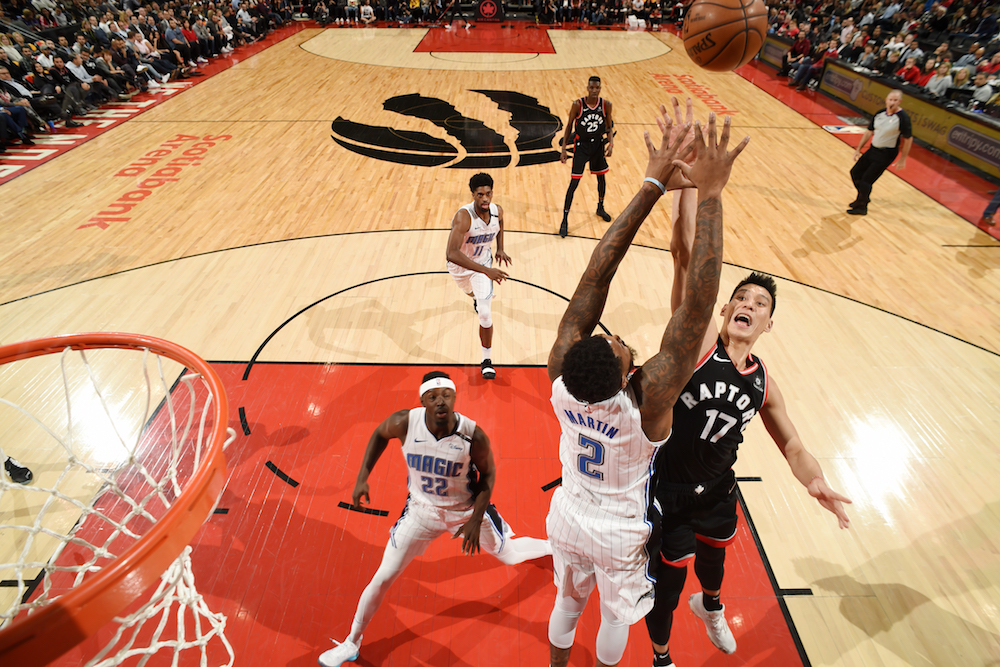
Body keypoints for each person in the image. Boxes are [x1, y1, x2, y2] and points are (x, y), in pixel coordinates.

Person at [640, 103, 853, 667]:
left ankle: (711, 607)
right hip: (668, 488)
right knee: (667, 585)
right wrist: (693, 186)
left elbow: (794, 445)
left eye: (760, 304)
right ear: (724, 308)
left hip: (717, 487)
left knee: (715, 561)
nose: (748, 304)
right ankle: (661, 656)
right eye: (741, 297)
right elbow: (688, 254)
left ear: (767, 325)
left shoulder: (763, 384)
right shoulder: (695, 344)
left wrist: (814, 480)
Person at [545, 103, 749, 667]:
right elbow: (700, 304)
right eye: (619, 345)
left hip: (567, 514)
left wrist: (653, 185)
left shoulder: (561, 378)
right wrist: (711, 194)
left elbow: (596, 275)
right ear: (625, 375)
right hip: (617, 529)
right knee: (614, 619)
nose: (617, 336)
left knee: (567, 602)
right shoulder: (646, 401)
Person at [317, 371, 551, 667]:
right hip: (421, 511)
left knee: (509, 555)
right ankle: (351, 642)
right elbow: (379, 434)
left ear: (454, 398)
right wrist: (362, 477)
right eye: (433, 396)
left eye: (446, 395)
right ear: (423, 400)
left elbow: (488, 475)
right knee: (383, 576)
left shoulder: (472, 435)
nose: (441, 401)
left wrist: (475, 519)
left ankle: (554, 547)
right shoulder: (404, 422)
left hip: (465, 511)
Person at [445, 173, 511, 380]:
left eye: (488, 194)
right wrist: (487, 271)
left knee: (484, 314)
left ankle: (486, 361)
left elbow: (500, 224)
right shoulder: (464, 217)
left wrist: (500, 248)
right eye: (480, 194)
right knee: (470, 293)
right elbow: (451, 253)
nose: (485, 198)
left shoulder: (497, 210)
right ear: (473, 194)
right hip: (460, 267)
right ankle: (475, 296)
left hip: (482, 265)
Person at [559, 75, 615, 238]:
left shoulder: (606, 105)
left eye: (597, 88)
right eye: (592, 87)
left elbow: (609, 127)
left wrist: (611, 144)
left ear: (600, 88)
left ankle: (600, 207)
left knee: (601, 178)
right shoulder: (578, 104)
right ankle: (564, 220)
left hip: (597, 145)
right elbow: (569, 126)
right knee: (574, 183)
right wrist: (564, 149)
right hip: (581, 146)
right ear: (587, 88)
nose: (594, 90)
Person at [848, 89, 911, 215]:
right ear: (886, 100)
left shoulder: (902, 118)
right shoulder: (880, 113)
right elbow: (869, 131)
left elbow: (908, 139)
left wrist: (903, 158)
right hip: (873, 149)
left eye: (895, 100)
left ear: (899, 101)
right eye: (890, 100)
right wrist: (859, 149)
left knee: (866, 180)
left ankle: (862, 207)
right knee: (855, 172)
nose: (892, 102)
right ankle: (863, 197)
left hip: (887, 153)